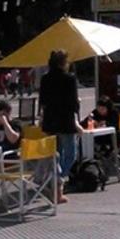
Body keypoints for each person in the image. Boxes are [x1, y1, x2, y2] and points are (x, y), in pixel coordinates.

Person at [39, 49, 80, 202]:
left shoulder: (45, 78)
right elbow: (73, 103)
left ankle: (55, 183)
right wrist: (77, 107)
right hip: (65, 120)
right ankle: (59, 181)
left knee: (54, 155)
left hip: (50, 120)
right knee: (70, 154)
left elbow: (42, 101)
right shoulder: (70, 79)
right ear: (64, 62)